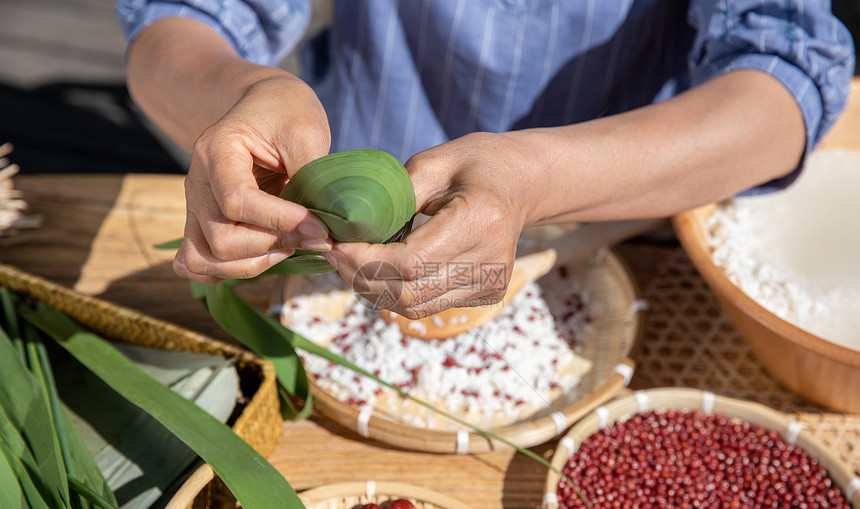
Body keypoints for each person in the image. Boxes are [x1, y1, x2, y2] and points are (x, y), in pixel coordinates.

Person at [117, 0, 854, 319]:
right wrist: (245, 93)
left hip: (619, 247)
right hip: (336, 252)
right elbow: (179, 26)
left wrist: (536, 182)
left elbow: (783, 88)